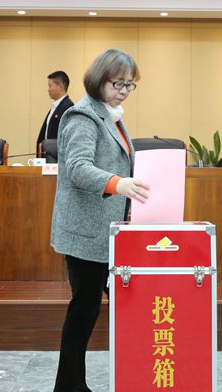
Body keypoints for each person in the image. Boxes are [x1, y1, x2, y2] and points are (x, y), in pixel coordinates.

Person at [50, 49, 150, 392]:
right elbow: (78, 168)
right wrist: (118, 184)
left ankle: (74, 384)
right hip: (87, 232)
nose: (123, 91)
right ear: (99, 79)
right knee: (84, 310)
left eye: (129, 85)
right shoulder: (83, 115)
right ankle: (69, 386)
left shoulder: (111, 115)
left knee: (94, 308)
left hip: (108, 232)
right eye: (117, 83)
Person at [37, 70, 74, 152]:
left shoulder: (68, 108)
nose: (48, 90)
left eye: (50, 86)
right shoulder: (55, 106)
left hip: (57, 156)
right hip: (48, 155)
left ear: (60, 87)